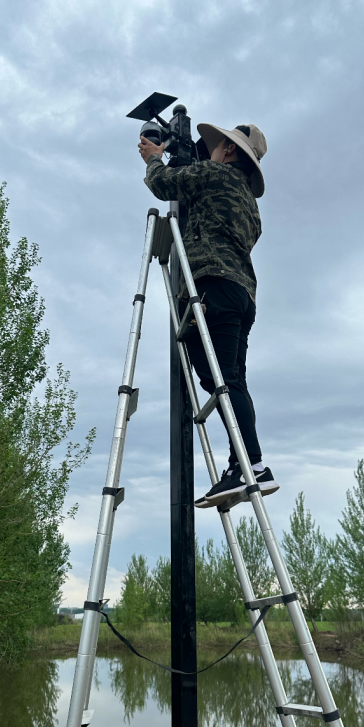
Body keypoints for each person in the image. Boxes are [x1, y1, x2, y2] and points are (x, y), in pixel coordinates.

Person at [138, 121, 279, 509]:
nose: (213, 150)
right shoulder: (249, 205)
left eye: (218, 146)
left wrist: (154, 158)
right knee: (229, 379)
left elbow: (166, 184)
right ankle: (245, 464)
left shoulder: (216, 175)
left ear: (230, 152)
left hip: (212, 286)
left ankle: (251, 463)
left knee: (219, 378)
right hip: (240, 292)